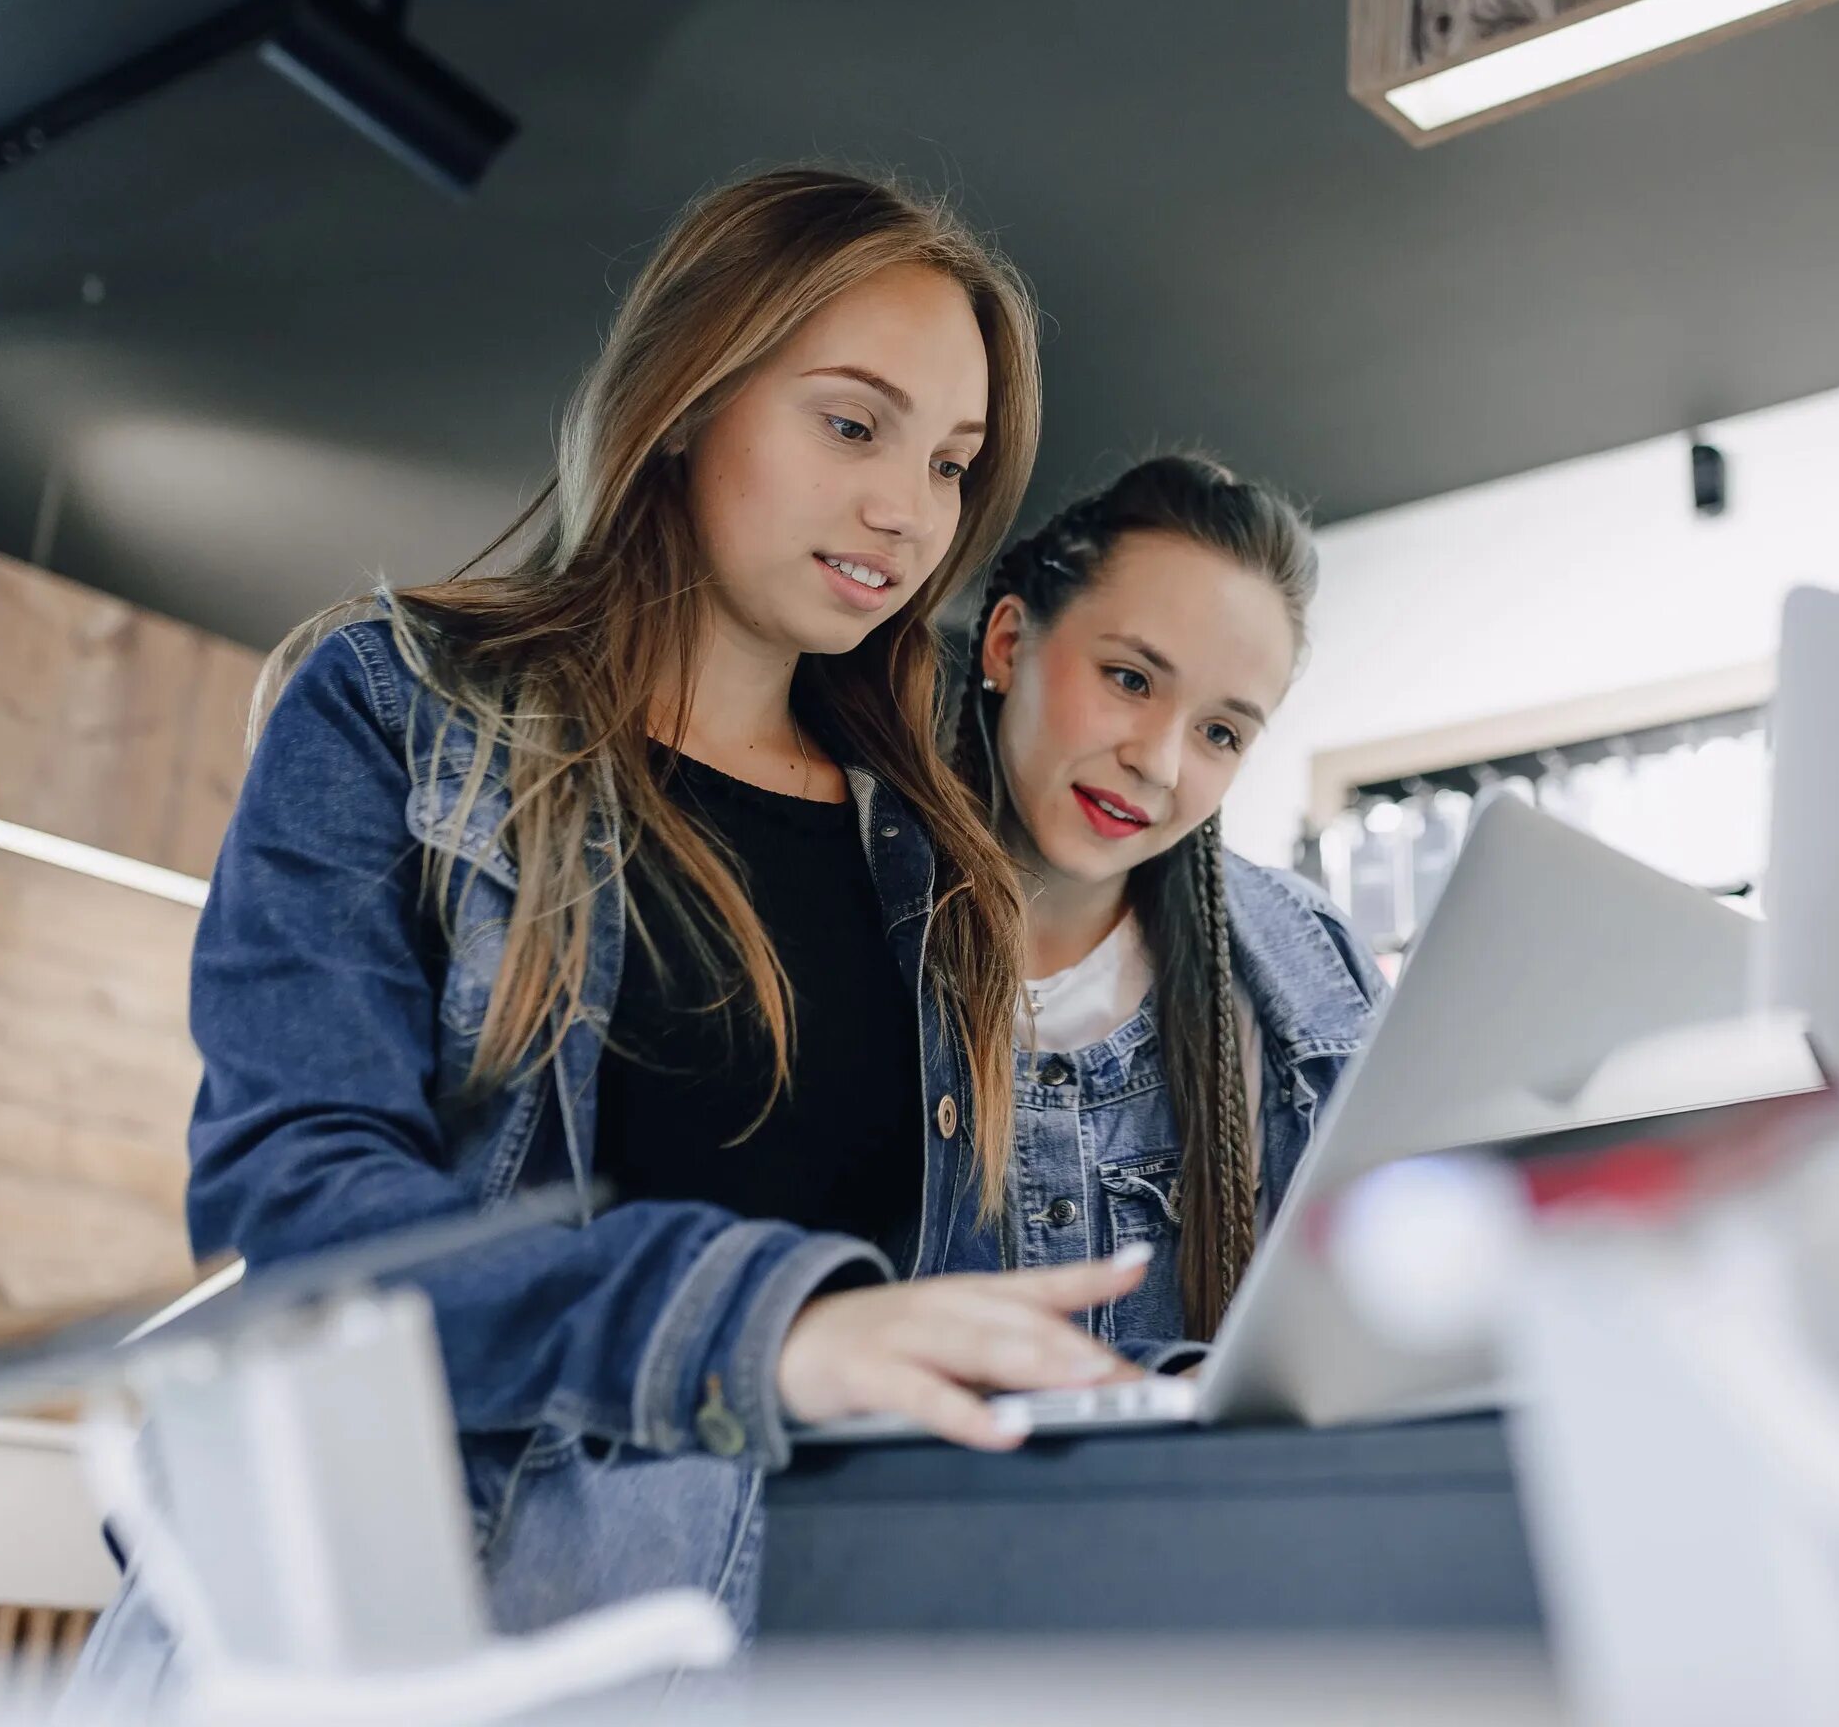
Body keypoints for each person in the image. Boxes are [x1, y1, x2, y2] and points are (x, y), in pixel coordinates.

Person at [74, 168, 1141, 1695]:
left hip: (757, 1647)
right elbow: (303, 1218)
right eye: (853, 425)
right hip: (395, 1643)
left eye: (956, 463)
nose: (911, 512)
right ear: (692, 395)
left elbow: (936, 1323)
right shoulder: (394, 706)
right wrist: (760, 1330)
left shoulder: (932, 858)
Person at [955, 454, 1389, 1353]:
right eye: (1130, 679)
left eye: (1220, 732)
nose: (1158, 762)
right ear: (1008, 643)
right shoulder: (840, 921)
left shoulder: (1303, 975)